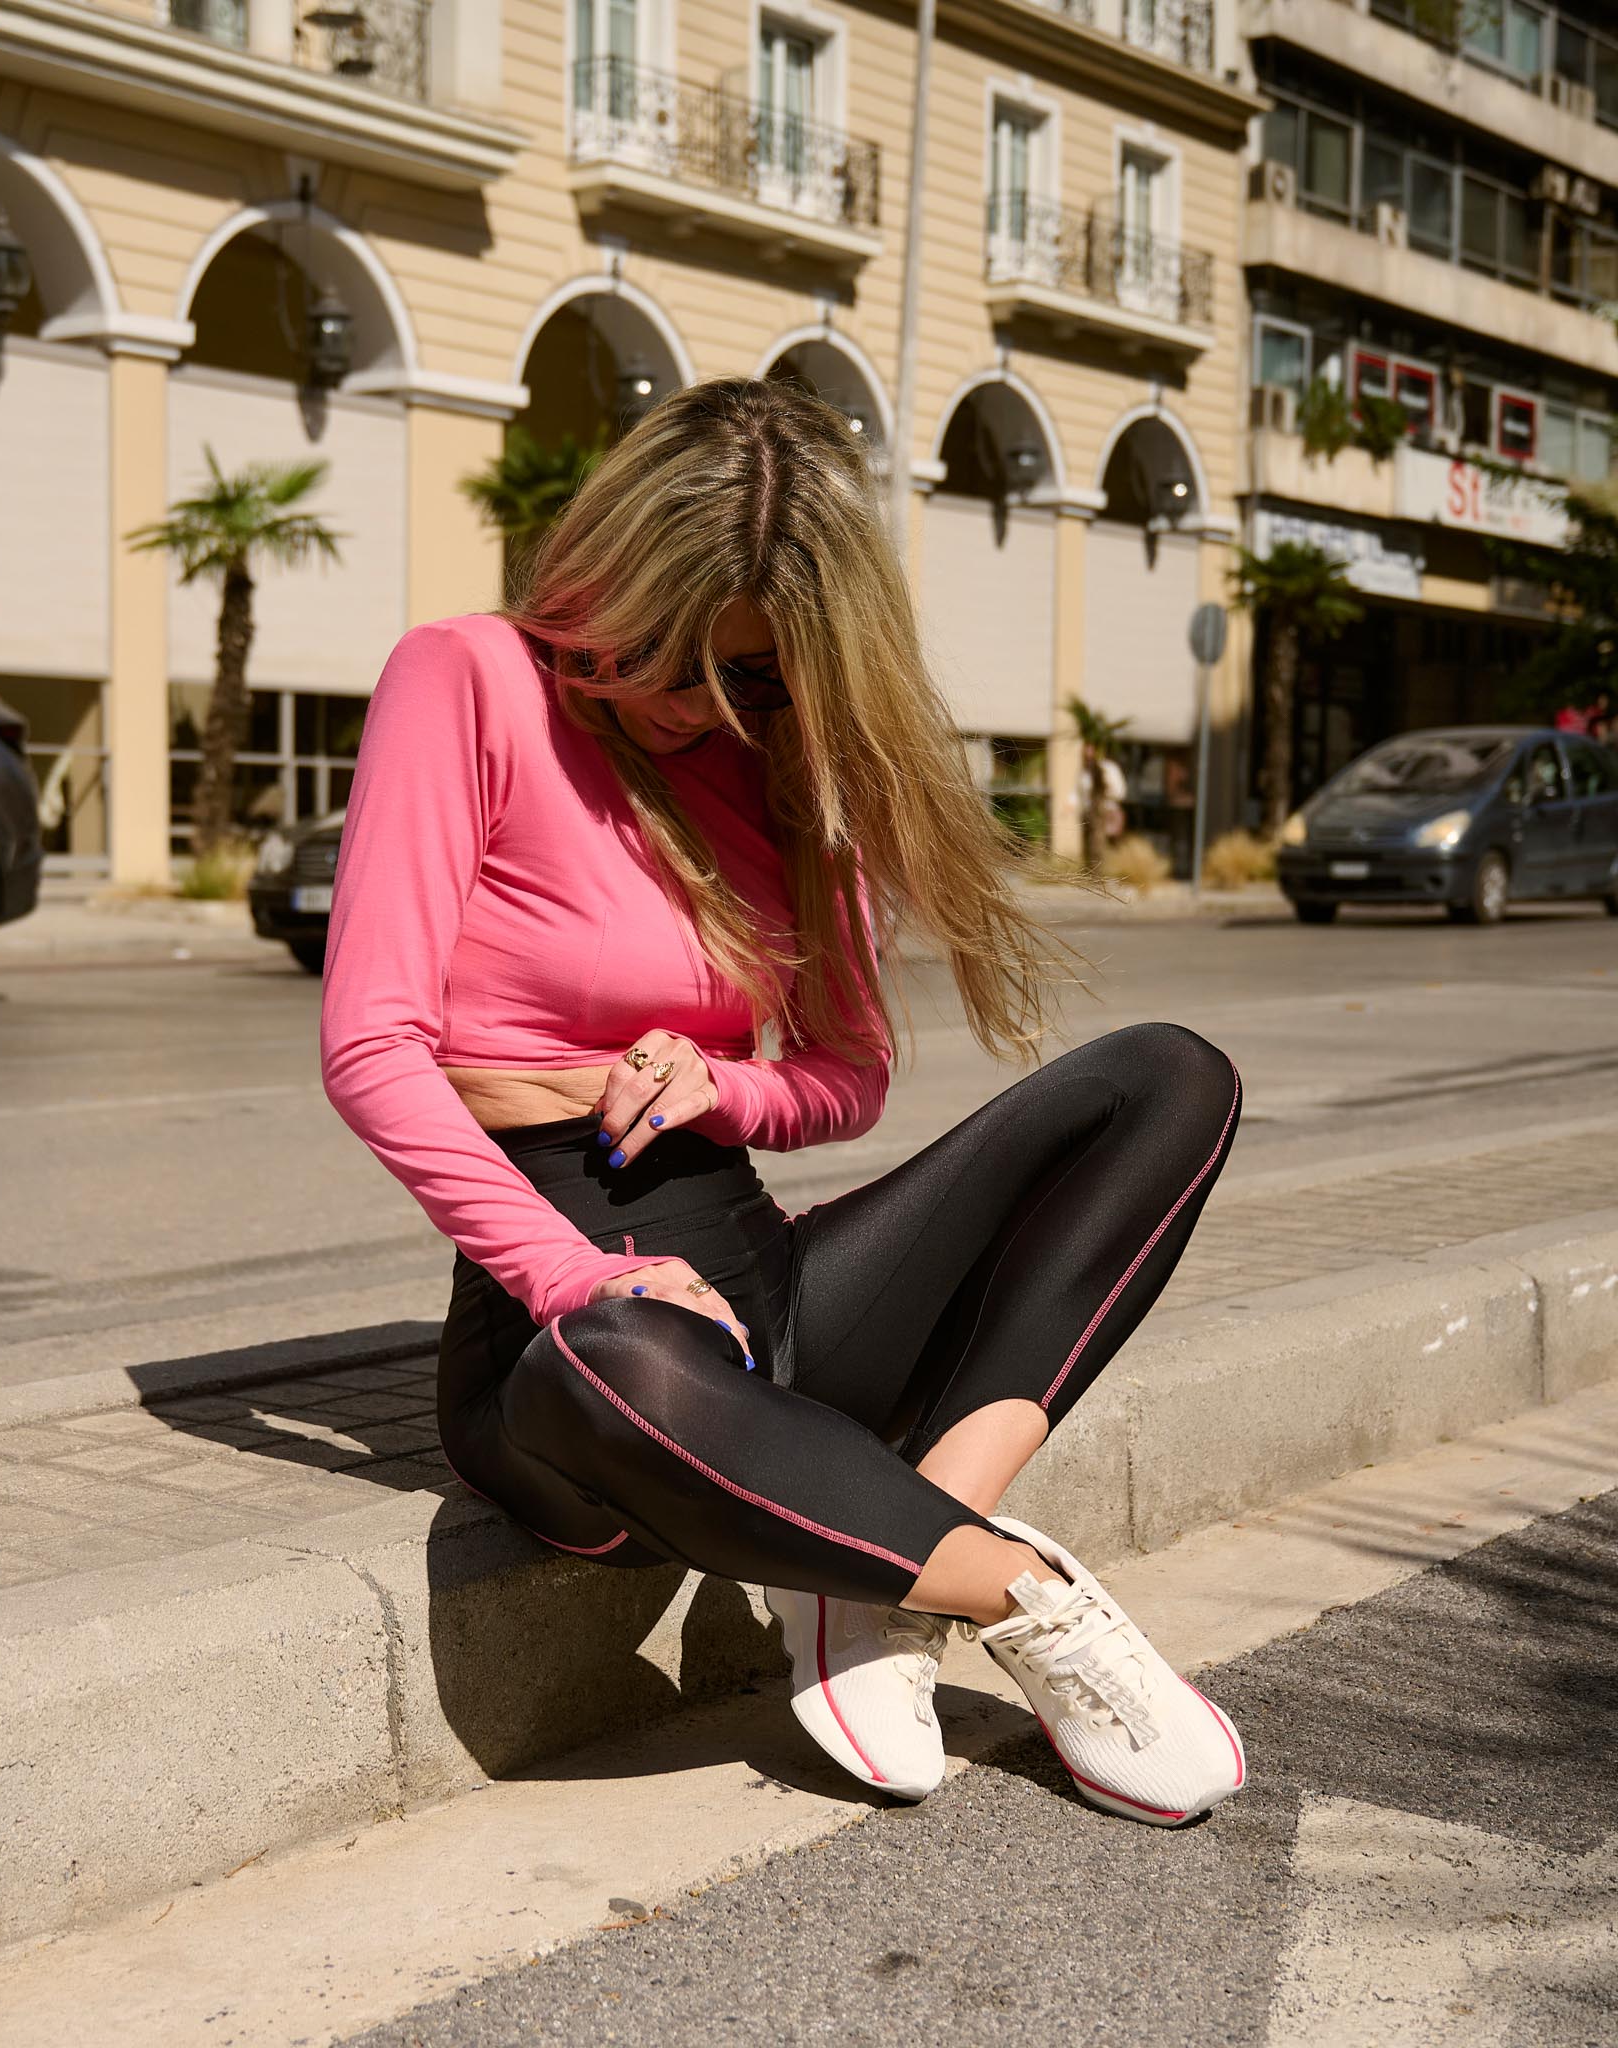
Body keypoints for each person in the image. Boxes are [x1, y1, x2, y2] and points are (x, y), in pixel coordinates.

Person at [320, 377, 1245, 1825]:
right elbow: (373, 1046)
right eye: (667, 657)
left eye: (748, 672)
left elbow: (849, 1073)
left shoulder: (788, 755)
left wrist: (724, 1086)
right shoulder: (468, 676)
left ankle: (904, 1543)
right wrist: (577, 1274)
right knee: (612, 1358)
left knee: (1169, 1082)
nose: (695, 705)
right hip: (576, 1355)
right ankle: (1015, 1591)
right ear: (607, 581)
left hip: (779, 1303)